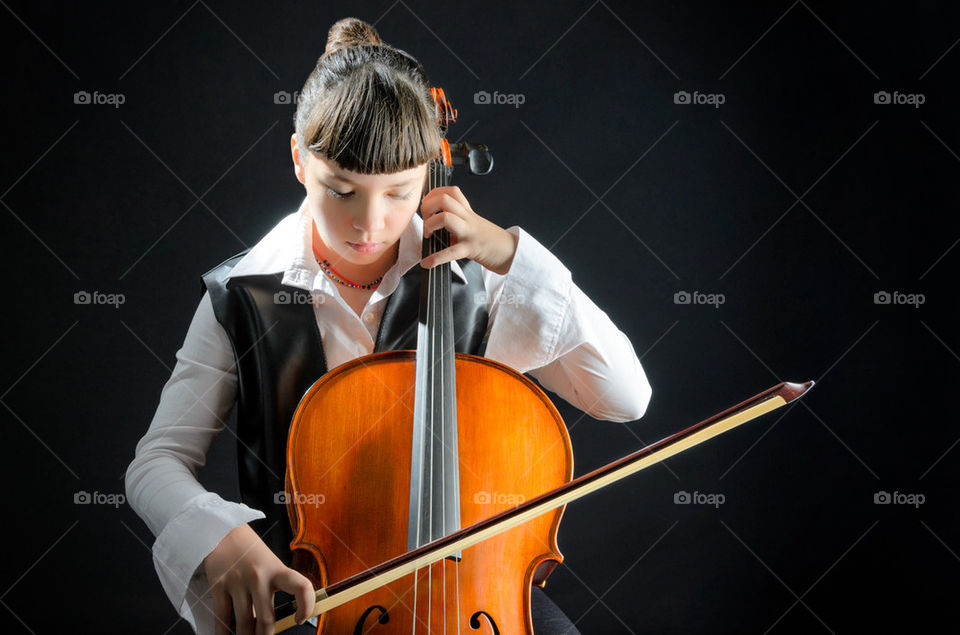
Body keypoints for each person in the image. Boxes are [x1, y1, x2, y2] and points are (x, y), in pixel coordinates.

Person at [126, 16, 652, 635]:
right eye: (341, 190)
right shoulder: (241, 294)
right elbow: (155, 462)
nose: (369, 223)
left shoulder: (479, 278)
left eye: (398, 192)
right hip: (313, 596)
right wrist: (230, 543)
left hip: (472, 593)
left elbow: (626, 399)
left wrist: (512, 255)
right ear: (300, 161)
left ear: (430, 169)